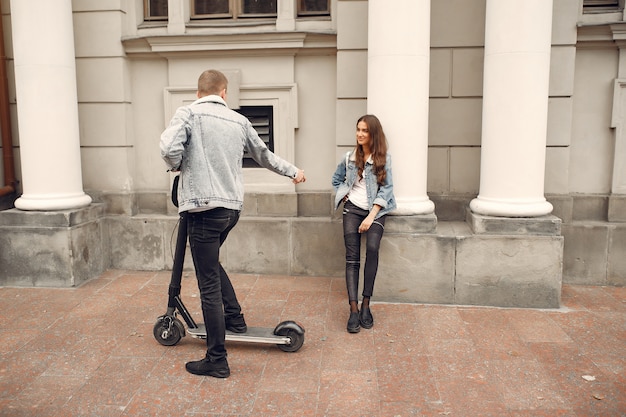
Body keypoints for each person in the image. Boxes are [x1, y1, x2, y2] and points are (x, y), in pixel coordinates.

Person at [160, 69, 306, 377]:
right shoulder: (239, 121)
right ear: (224, 93)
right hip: (230, 211)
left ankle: (217, 359)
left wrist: (177, 165)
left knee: (207, 284)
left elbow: (168, 148)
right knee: (210, 265)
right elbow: (264, 155)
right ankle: (235, 318)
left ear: (199, 92)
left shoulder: (189, 113)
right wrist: (293, 171)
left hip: (202, 210)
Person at [331, 114, 396, 333]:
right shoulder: (348, 158)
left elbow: (387, 189)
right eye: (358, 129)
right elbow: (336, 180)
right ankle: (353, 310)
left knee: (372, 248)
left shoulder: (384, 159)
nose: (360, 134)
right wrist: (344, 195)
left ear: (373, 134)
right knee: (352, 258)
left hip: (375, 212)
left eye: (365, 130)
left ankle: (366, 305)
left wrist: (371, 216)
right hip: (352, 211)